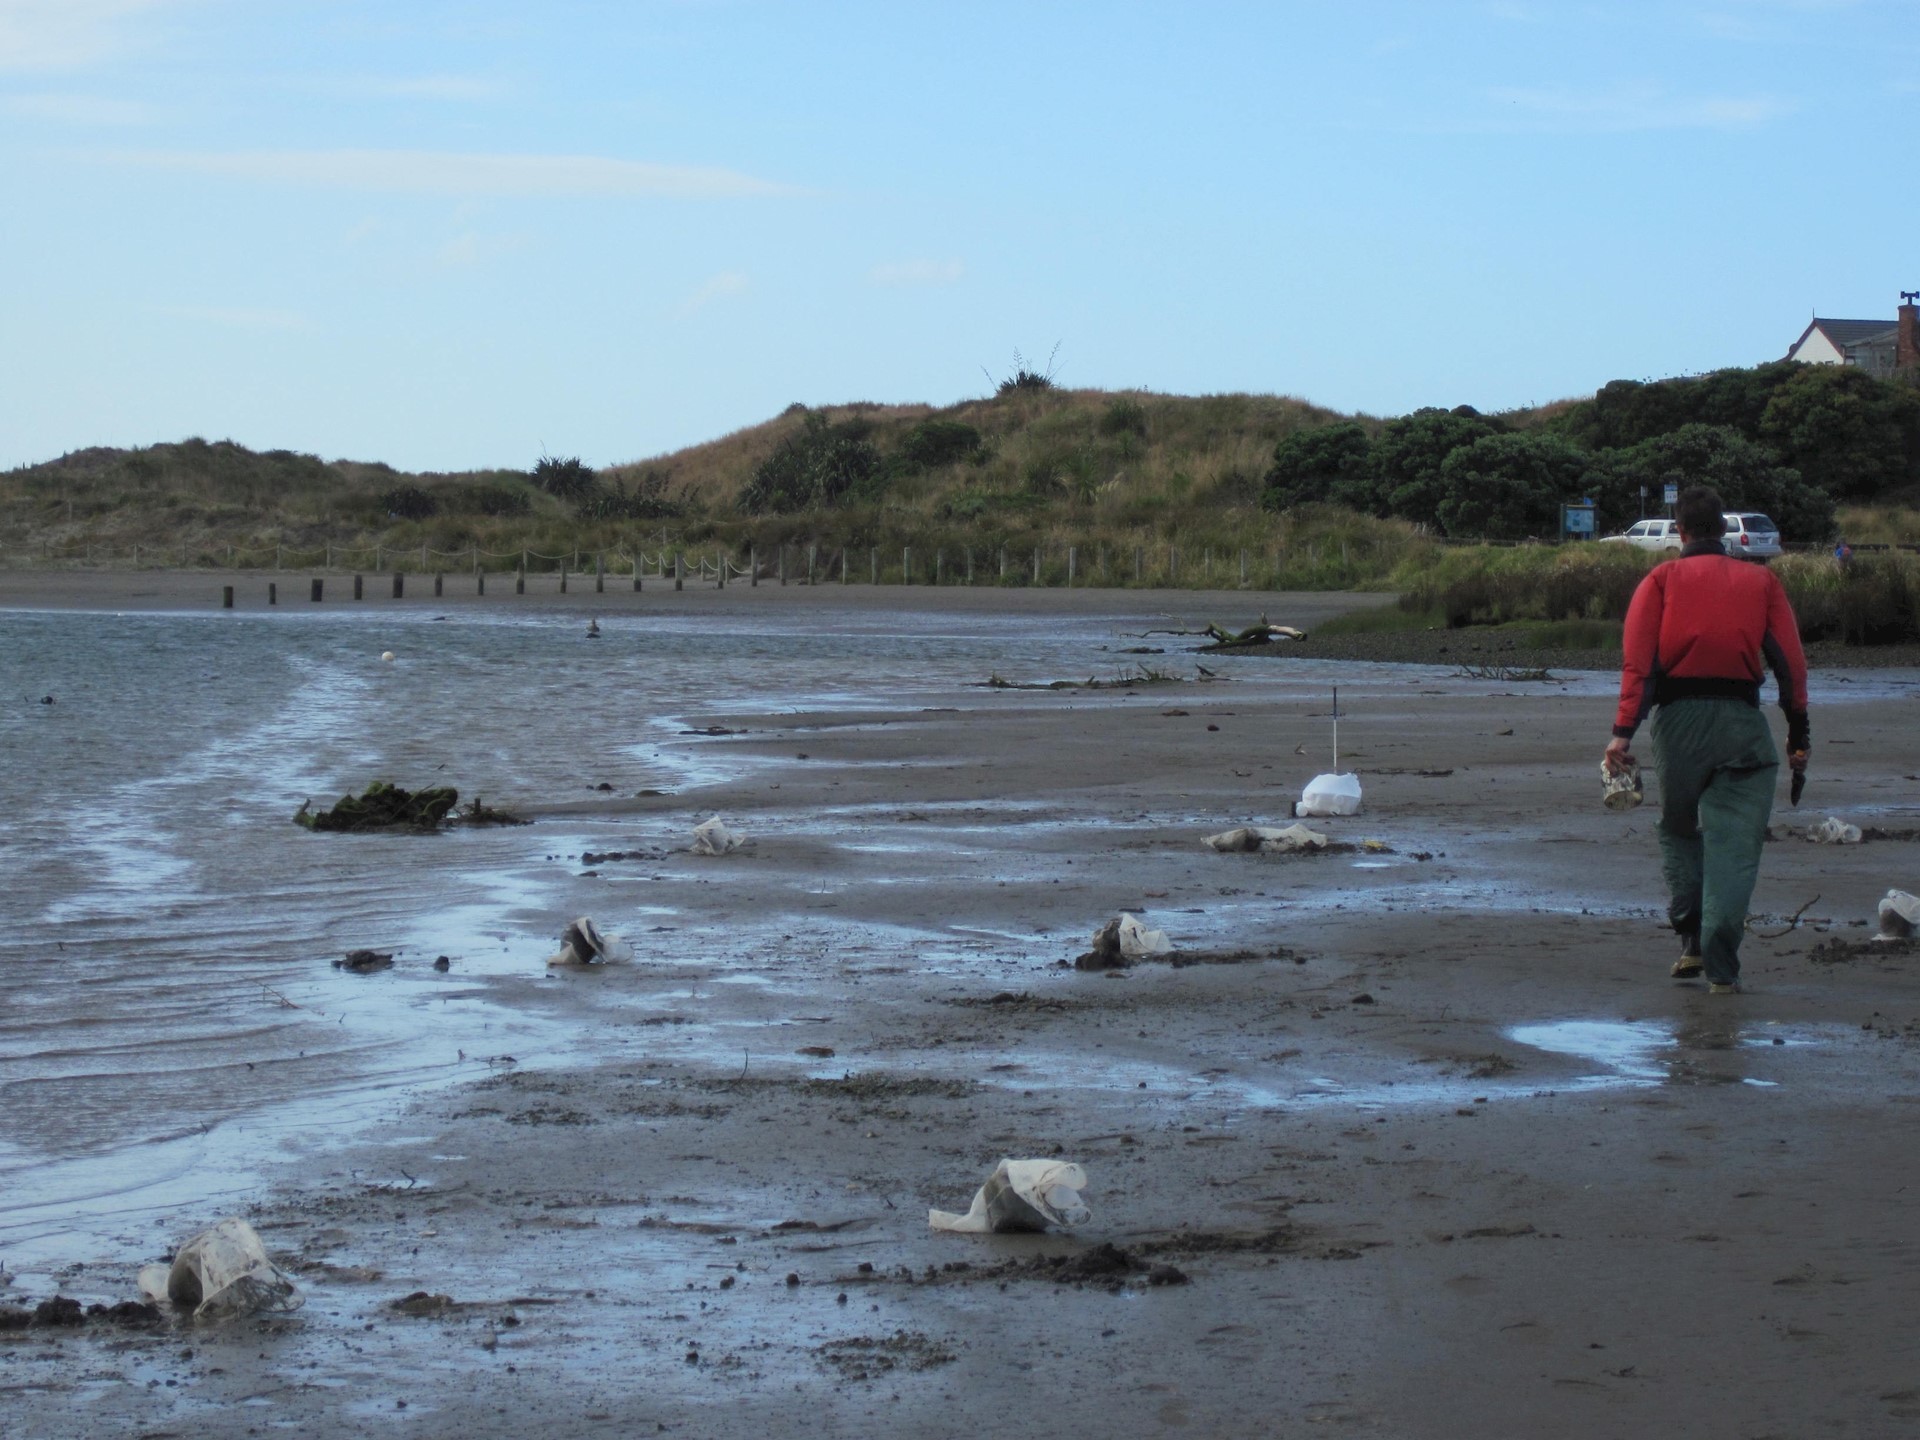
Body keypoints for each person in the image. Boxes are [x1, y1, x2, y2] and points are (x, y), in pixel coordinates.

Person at [1603, 486, 1810, 994]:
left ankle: (1690, 937)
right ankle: (1721, 964)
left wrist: (1622, 734)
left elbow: (1640, 669)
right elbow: (1791, 666)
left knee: (1678, 828)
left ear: (1678, 531)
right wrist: (1799, 735)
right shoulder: (1762, 581)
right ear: (1723, 529)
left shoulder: (1661, 579)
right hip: (1743, 724)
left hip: (1678, 726)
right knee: (1735, 845)